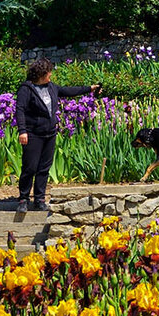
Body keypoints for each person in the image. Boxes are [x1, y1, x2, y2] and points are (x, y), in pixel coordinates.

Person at [14, 58, 99, 212]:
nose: (51, 75)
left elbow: (68, 91)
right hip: (33, 133)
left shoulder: (51, 87)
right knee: (30, 167)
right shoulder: (26, 89)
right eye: (48, 72)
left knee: (44, 168)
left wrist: (89, 88)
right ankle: (23, 199)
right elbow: (20, 110)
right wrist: (22, 131)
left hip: (50, 134)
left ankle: (39, 199)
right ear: (41, 74)